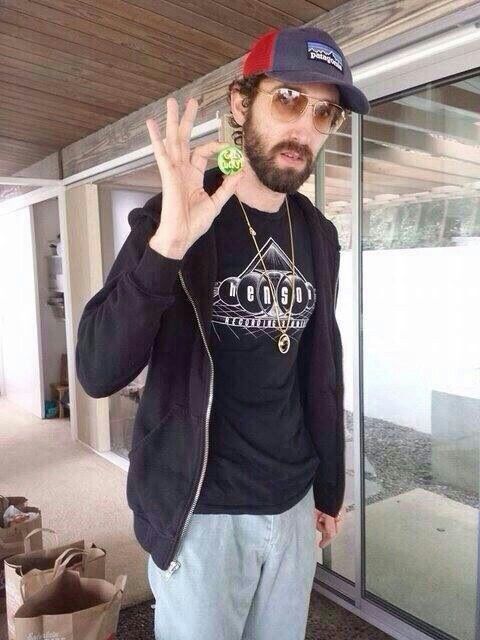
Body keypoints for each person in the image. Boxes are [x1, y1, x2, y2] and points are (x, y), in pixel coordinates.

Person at [76, 25, 369, 640]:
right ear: (241, 105)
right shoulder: (174, 215)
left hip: (291, 511)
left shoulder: (317, 234)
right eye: (288, 100)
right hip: (201, 512)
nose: (305, 129)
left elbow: (321, 363)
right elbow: (99, 369)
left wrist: (329, 485)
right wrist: (168, 249)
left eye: (325, 114)